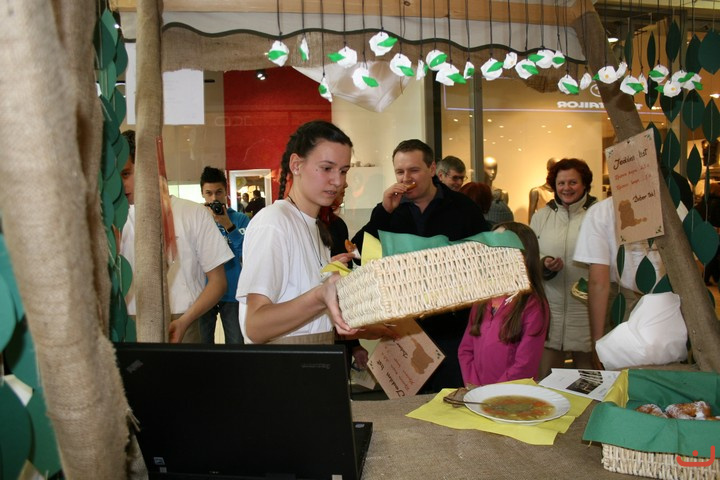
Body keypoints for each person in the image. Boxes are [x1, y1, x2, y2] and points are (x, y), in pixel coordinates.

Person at [236, 120, 394, 345]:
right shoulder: (273, 222)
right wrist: (320, 295)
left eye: (343, 171)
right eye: (327, 168)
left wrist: (362, 327)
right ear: (296, 165)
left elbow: (311, 325)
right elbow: (255, 327)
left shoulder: (314, 226)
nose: (337, 181)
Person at [351, 139, 490, 392]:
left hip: (455, 327)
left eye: (413, 170)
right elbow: (358, 252)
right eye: (400, 172)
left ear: (432, 169)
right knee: (407, 405)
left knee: (452, 397)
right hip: (405, 329)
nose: (406, 178)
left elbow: (486, 258)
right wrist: (384, 212)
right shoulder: (390, 209)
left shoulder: (463, 208)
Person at [119, 130, 234, 343]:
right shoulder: (114, 221)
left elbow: (218, 282)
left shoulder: (193, 213)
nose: (120, 183)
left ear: (147, 169)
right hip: (128, 326)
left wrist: (185, 321)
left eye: (125, 174)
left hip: (186, 324)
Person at [573, 197, 667, 367]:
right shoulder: (673, 205)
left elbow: (599, 283)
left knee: (623, 375)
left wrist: (598, 344)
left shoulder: (601, 212)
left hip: (648, 308)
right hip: (650, 308)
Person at [458, 222, 550, 386]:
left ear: (522, 256)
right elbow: (466, 350)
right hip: (477, 392)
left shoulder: (534, 306)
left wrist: (492, 393)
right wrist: (475, 387)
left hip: (510, 395)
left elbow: (525, 365)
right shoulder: (483, 298)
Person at [530, 159, 597, 378]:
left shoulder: (599, 214)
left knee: (589, 379)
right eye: (561, 183)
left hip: (586, 312)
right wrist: (544, 263)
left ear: (584, 184)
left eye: (573, 182)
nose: (566, 188)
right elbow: (529, 254)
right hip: (551, 312)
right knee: (547, 379)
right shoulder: (541, 216)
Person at [197, 166, 250, 344]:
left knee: (236, 345)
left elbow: (246, 254)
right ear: (202, 194)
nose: (214, 198)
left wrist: (228, 225)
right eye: (209, 193)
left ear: (226, 192)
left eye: (218, 192)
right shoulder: (197, 220)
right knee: (203, 346)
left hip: (233, 291)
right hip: (204, 292)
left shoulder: (241, 219)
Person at [319, 183, 370, 369]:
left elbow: (344, 289)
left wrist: (354, 344)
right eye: (329, 170)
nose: (344, 183)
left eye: (342, 172)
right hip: (316, 332)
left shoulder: (338, 225)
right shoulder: (302, 226)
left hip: (340, 331)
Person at [483, 156, 514, 225]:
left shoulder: (502, 194)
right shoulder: (476, 191)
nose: (493, 172)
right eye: (489, 169)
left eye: (495, 169)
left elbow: (504, 216)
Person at [528, 157, 558, 223]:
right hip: (542, 227)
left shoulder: (562, 193)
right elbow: (531, 220)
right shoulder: (536, 192)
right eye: (554, 167)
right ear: (548, 169)